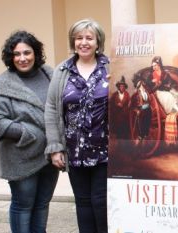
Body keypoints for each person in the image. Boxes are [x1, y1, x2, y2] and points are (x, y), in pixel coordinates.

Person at [0, 30, 59, 233]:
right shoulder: (3, 83)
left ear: (36, 53)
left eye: (27, 52)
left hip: (50, 154)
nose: (22, 58)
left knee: (43, 203)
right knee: (23, 205)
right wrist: (26, 133)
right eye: (17, 54)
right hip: (21, 155)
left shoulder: (51, 75)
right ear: (10, 57)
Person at [44, 18, 109, 233]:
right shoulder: (62, 71)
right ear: (73, 42)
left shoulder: (110, 67)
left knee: (101, 201)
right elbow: (52, 109)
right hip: (74, 150)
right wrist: (55, 148)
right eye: (79, 38)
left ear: (98, 42)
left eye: (89, 38)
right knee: (82, 202)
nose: (84, 42)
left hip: (105, 150)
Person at [109, 76, 131, 141]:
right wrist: (117, 104)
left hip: (125, 115)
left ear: (125, 87)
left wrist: (127, 107)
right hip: (117, 116)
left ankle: (125, 145)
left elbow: (129, 103)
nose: (122, 87)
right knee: (118, 132)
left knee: (125, 132)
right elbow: (111, 103)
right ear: (118, 87)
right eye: (121, 86)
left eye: (123, 86)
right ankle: (119, 144)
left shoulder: (127, 94)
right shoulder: (115, 94)